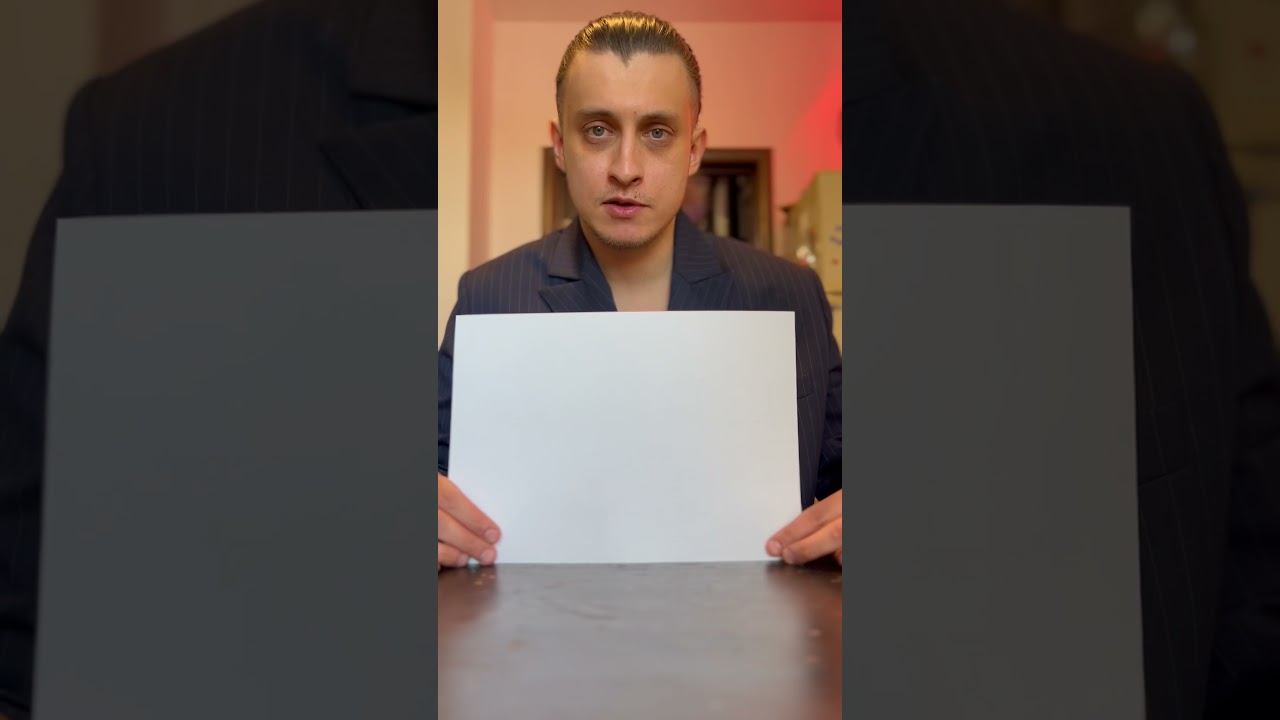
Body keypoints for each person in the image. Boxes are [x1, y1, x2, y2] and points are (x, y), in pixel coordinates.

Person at [434, 11, 845, 573]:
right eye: (597, 130)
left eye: (656, 133)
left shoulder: (789, 295)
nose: (625, 169)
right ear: (560, 145)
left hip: (749, 621)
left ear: (694, 150)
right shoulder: (488, 298)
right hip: (538, 621)